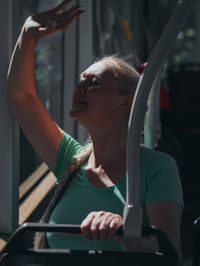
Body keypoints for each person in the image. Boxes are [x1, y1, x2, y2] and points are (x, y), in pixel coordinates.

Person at [7, 0, 183, 258]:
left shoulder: (157, 169)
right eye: (80, 81)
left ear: (126, 102)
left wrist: (125, 233)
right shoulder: (71, 160)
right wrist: (27, 33)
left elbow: (169, 256)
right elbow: (21, 98)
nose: (78, 88)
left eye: (94, 83)